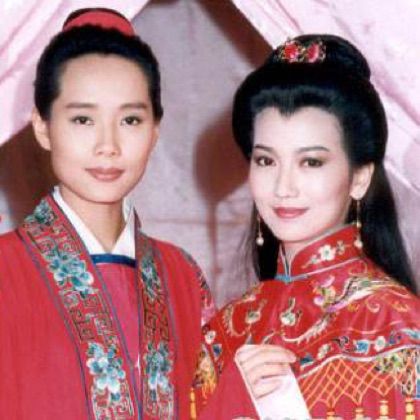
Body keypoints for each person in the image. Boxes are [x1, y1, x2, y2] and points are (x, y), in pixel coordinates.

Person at [0, 8, 215, 420]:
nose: (108, 146)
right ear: (43, 127)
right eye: (83, 119)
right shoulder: (5, 270)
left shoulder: (183, 276)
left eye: (130, 120)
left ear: (154, 131)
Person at [190, 35, 420, 419]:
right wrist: (227, 403)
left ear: (359, 177)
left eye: (311, 162)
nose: (283, 187)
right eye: (266, 161)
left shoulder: (398, 326)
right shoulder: (225, 331)